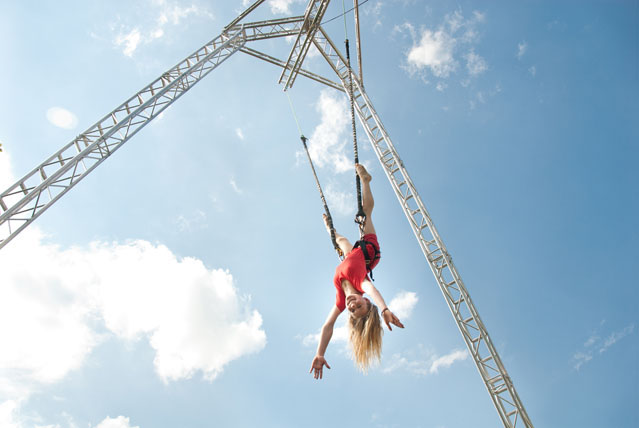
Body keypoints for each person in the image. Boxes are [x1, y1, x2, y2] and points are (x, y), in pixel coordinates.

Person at [309, 164, 404, 380]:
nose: (352, 305)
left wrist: (320, 353)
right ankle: (367, 181)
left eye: (352, 310)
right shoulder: (362, 285)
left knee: (340, 240)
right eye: (359, 306)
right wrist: (384, 309)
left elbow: (327, 326)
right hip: (368, 252)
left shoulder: (342, 300)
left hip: (349, 256)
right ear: (366, 301)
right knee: (365, 214)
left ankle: (329, 228)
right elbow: (374, 291)